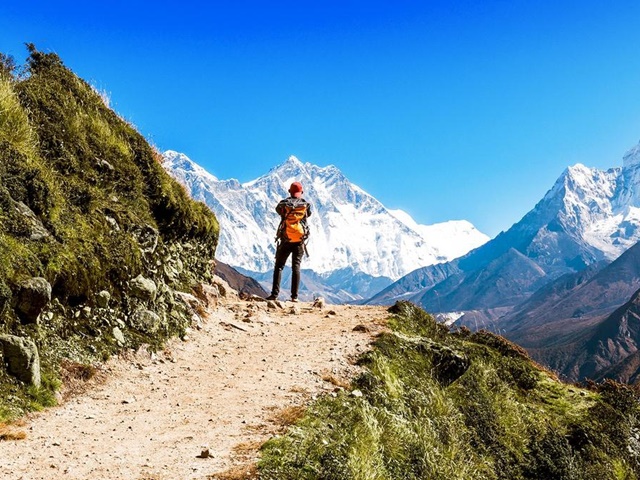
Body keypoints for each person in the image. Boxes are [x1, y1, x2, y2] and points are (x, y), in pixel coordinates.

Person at [267, 181, 312, 302]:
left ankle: (274, 295)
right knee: (296, 267)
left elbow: (278, 211)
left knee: (279, 266)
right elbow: (308, 215)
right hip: (299, 240)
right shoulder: (305, 205)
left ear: (290, 192)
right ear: (301, 192)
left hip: (286, 239)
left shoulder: (283, 204)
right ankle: (294, 297)